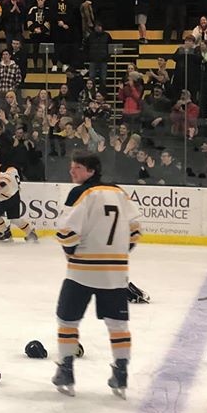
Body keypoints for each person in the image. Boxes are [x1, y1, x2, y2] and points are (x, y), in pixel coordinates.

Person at [52, 151, 140, 399]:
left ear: (91, 171)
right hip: (115, 272)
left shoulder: (80, 193)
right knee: (118, 325)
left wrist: (71, 254)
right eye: (72, 167)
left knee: (67, 321)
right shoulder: (120, 193)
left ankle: (66, 369)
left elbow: (66, 232)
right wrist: (118, 256)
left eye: (77, 168)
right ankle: (121, 372)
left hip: (82, 270)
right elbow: (135, 231)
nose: (72, 172)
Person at [0, 165, 38, 243]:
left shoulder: (3, 171)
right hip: (15, 196)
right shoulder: (14, 169)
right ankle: (30, 233)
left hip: (5, 198)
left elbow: (2, 183)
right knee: (15, 219)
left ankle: (6, 233)